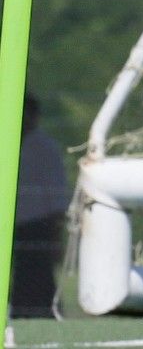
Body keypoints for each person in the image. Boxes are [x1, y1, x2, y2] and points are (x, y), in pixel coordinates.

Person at [12, 93, 67, 318]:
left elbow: (56, 193)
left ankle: (44, 313)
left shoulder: (45, 148)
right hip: (11, 223)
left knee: (37, 273)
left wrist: (55, 231)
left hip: (37, 224)